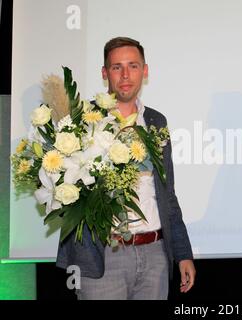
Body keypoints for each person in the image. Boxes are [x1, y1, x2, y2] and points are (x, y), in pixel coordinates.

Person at [56, 36, 196, 299]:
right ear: (104, 72)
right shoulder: (84, 121)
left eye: (133, 66)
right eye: (116, 67)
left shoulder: (156, 121)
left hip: (155, 253)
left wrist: (183, 253)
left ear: (145, 71)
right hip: (104, 255)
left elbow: (167, 195)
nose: (125, 75)